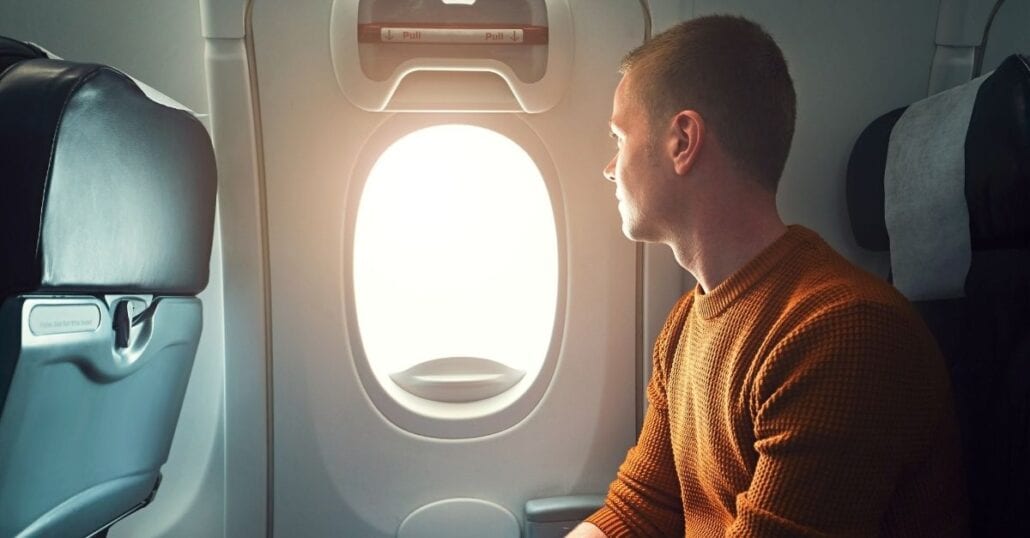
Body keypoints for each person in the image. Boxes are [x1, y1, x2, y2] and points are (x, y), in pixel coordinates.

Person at [568, 15, 967, 537]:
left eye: (619, 136)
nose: (609, 166)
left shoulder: (842, 333)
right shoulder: (687, 323)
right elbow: (640, 509)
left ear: (682, 141)